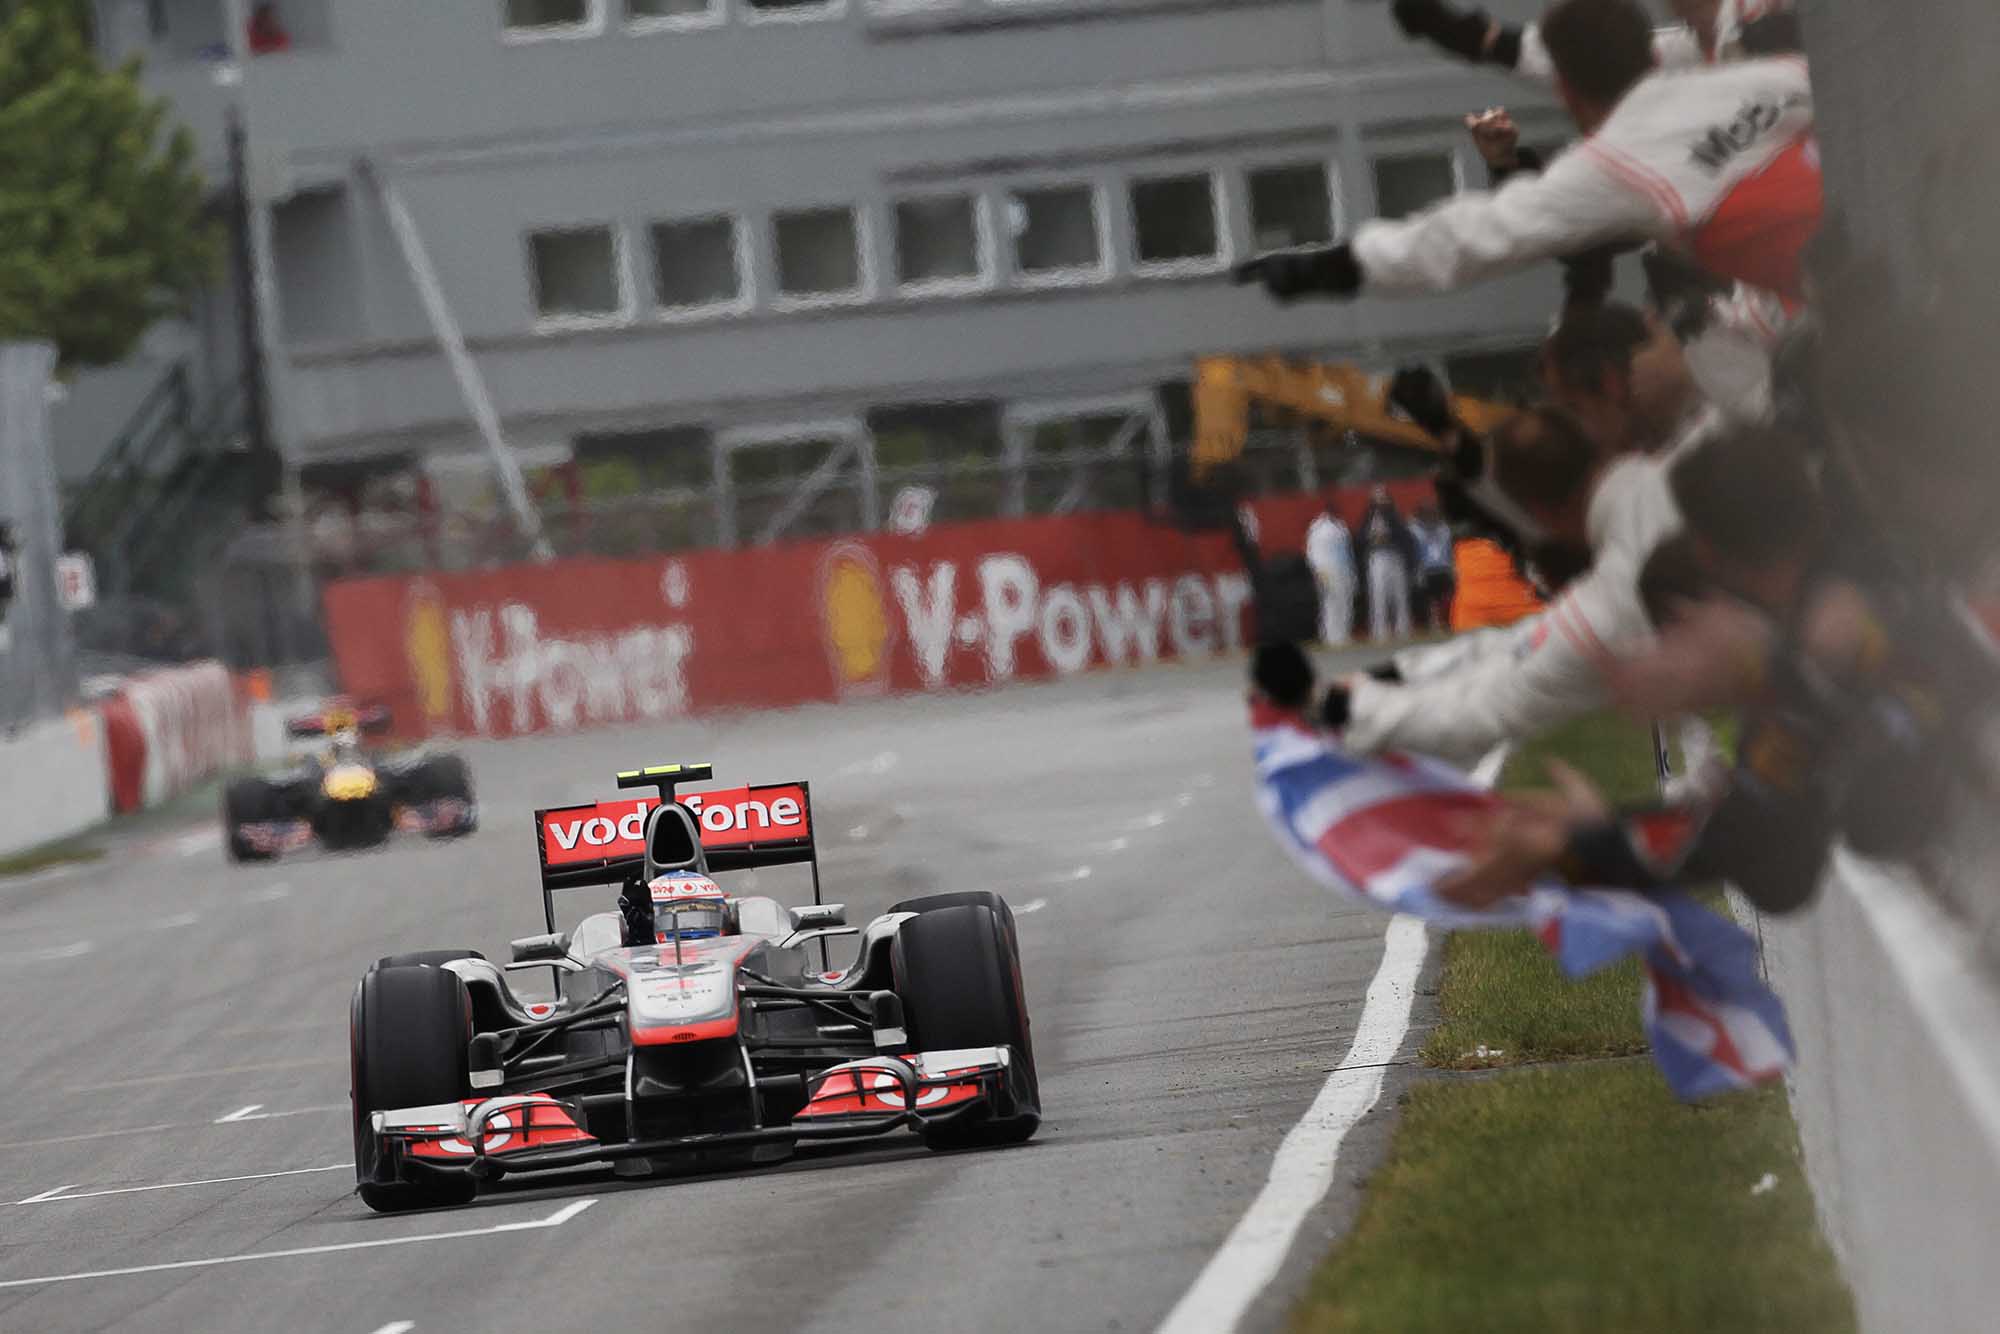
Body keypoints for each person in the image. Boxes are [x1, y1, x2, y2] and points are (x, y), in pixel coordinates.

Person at [1237, 0, 1821, 308]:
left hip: (1833, 284)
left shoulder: (1612, 166)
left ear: (1566, 89)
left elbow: (1474, 236)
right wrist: (1464, 33)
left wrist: (1336, 268)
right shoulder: (1756, 74)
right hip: (1871, 224)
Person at [1360, 488, 1414, 641]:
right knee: (1378, 594)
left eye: (1383, 498)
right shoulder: (1368, 517)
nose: (1380, 502)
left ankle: (1402, 628)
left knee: (1399, 594)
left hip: (1395, 557)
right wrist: (1372, 538)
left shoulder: (1395, 515)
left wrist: (1389, 536)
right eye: (1377, 499)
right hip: (1377, 557)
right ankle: (1379, 630)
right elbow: (1361, 538)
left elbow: (1403, 536)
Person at [1304, 497, 1357, 646]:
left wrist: (1351, 571)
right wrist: (1318, 572)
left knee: (1345, 603)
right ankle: (1331, 636)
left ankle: (1344, 633)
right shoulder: (1317, 527)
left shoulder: (1341, 526)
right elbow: (1312, 552)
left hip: (1344, 569)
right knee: (1330, 603)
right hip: (1327, 570)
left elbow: (1347, 551)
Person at [1409, 504, 1458, 631]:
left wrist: (1453, 567)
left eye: (1432, 514)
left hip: (1443, 567)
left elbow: (1449, 549)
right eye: (1427, 514)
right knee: (1430, 600)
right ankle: (1434, 623)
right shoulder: (1416, 530)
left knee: (1446, 598)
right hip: (1427, 569)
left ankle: (1447, 621)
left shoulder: (1444, 529)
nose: (1430, 517)